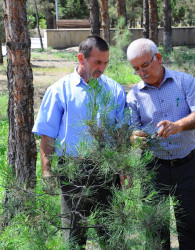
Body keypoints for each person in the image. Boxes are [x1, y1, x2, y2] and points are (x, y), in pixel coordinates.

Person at [32, 36, 127, 248]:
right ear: (81, 58)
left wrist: (123, 168)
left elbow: (121, 133)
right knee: (73, 235)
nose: (102, 68)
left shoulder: (115, 90)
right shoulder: (59, 90)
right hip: (73, 172)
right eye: (97, 62)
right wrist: (47, 171)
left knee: (113, 235)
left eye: (106, 63)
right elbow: (47, 134)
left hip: (107, 171)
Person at [126, 38, 195, 249]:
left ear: (158, 58)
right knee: (155, 231)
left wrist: (179, 126)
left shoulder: (185, 82)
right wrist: (135, 138)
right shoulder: (134, 95)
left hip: (186, 166)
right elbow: (131, 130)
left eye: (145, 65)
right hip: (153, 169)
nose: (142, 72)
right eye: (136, 69)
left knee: (189, 227)